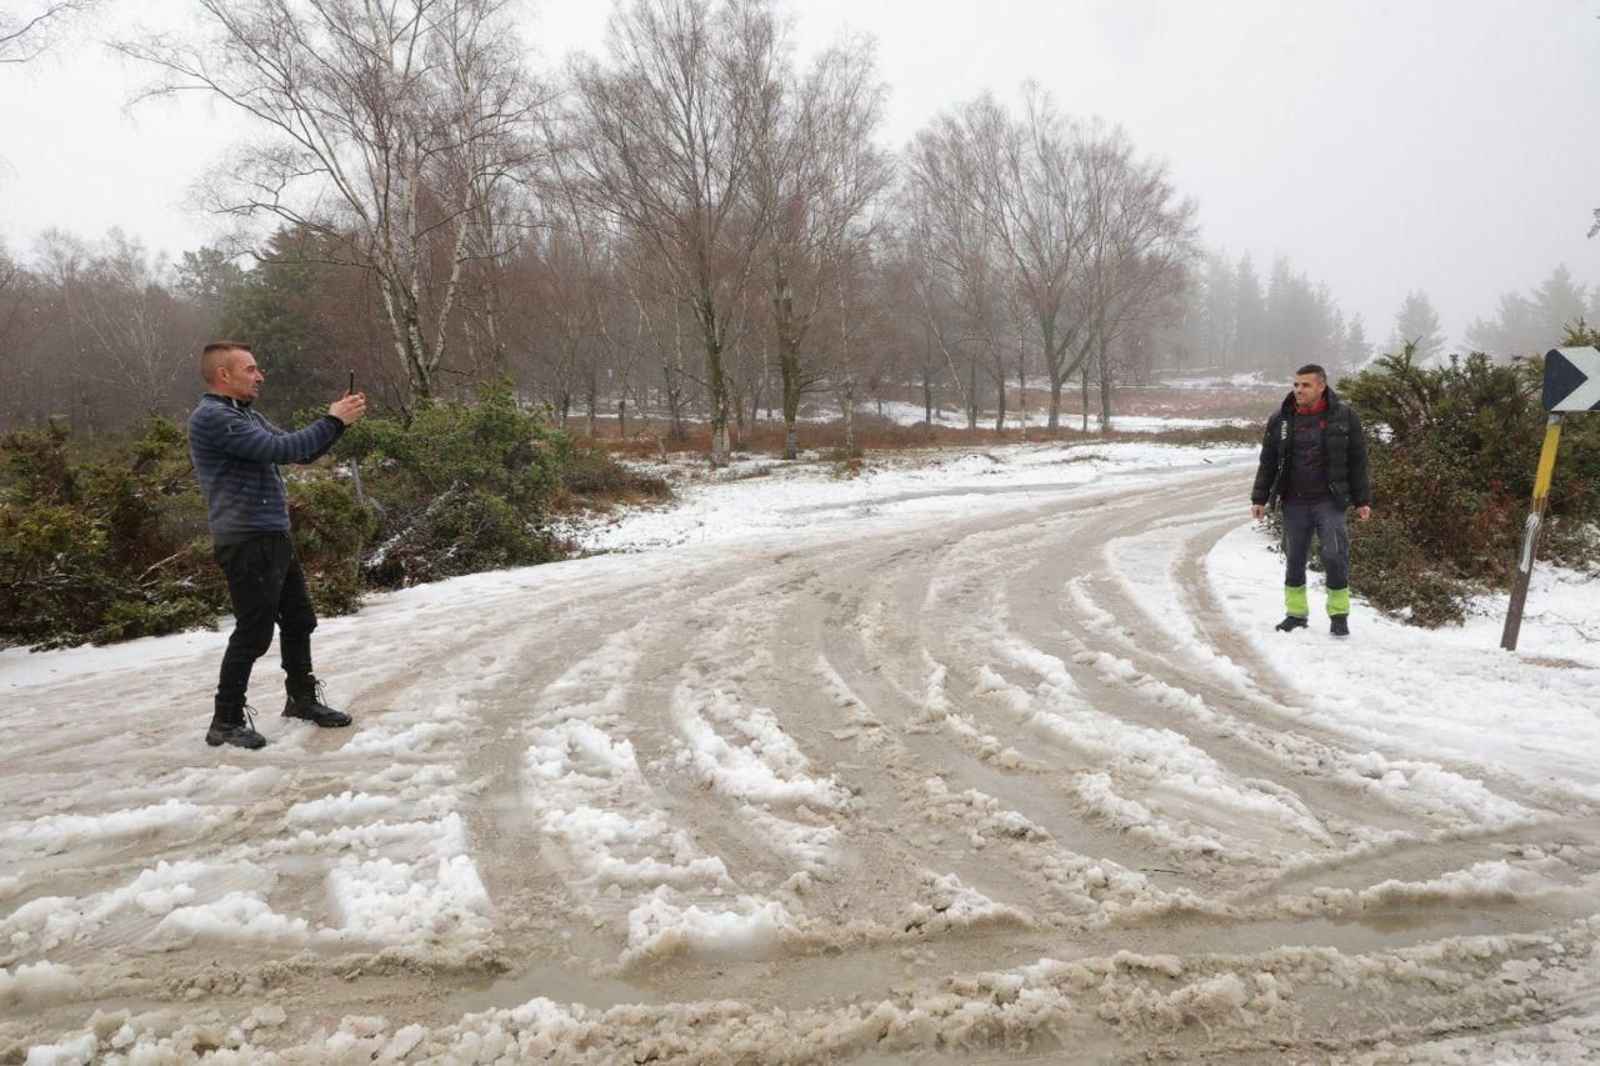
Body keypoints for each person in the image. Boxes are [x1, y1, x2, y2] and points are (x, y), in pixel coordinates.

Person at [188, 342, 367, 748]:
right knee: (253, 633)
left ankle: (301, 700)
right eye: (250, 369)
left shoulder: (243, 414)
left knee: (300, 620)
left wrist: (337, 424)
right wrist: (331, 420)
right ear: (224, 376)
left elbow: (298, 453)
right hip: (246, 540)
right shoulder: (214, 418)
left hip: (272, 535)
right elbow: (282, 449)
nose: (260, 375)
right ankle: (225, 719)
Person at [1250, 363, 1372, 637]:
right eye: (1296, 384)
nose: (1298, 390)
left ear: (1321, 386)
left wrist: (1362, 500)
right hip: (1294, 502)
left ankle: (1339, 616)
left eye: (1305, 385)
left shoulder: (1344, 417)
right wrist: (1259, 497)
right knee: (1294, 558)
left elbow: (1357, 462)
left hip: (1329, 501)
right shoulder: (1280, 419)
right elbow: (1268, 462)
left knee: (1334, 555)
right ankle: (1295, 614)